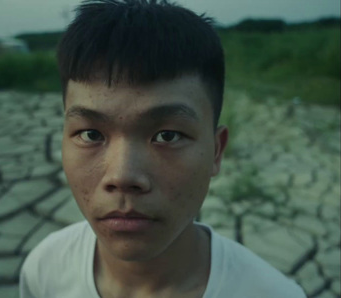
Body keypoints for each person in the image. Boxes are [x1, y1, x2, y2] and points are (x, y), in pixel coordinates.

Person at [20, 0, 306, 297]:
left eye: (167, 136)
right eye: (91, 134)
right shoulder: (44, 271)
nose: (122, 176)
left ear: (216, 152)